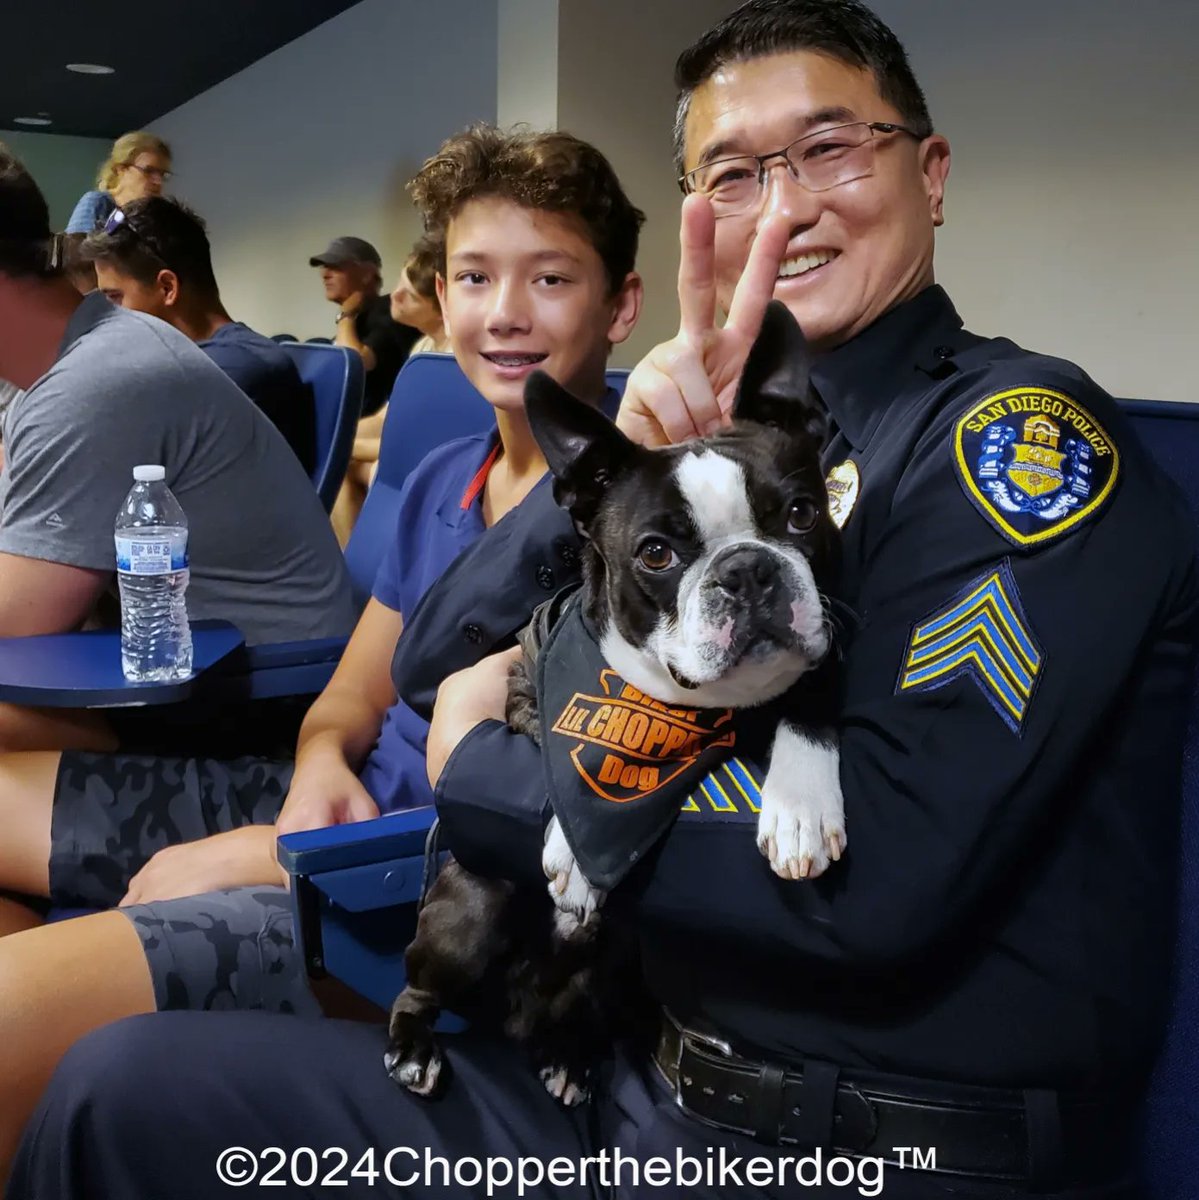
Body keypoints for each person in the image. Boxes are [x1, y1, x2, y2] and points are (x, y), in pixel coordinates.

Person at [8, 3, 1195, 1196]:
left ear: (927, 174)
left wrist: (484, 776)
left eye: (830, 149)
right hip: (626, 1073)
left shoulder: (1012, 445)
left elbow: (873, 887)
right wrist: (615, 460)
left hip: (847, 1144)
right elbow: (430, 654)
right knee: (116, 1095)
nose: (783, 206)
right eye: (732, 174)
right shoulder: (728, 443)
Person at [0, 123, 643, 1181]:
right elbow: (348, 698)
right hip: (322, 819)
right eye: (474, 276)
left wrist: (272, 855)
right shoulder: (442, 477)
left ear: (621, 305)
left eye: (551, 278)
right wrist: (313, 771)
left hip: (416, 898)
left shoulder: (641, 521)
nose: (504, 312)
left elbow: (565, 823)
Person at [0, 145, 355, 754]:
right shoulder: (60, 368)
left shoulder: (94, 382)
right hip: (170, 667)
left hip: (259, 701)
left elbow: (14, 629)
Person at [83, 196, 316, 473]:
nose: (109, 314)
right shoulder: (210, 363)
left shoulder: (232, 370)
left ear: (167, 288)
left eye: (115, 297)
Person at [332, 234, 450, 544]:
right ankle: (348, 564)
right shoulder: (425, 347)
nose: (394, 295)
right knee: (336, 460)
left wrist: (340, 447)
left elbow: (425, 446)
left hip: (431, 461)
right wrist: (335, 437)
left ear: (440, 305)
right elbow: (387, 417)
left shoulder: (453, 360)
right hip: (409, 451)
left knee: (343, 461)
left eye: (409, 295)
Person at [311, 235, 420, 416]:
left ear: (368, 274)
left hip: (381, 423)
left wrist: (346, 315)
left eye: (336, 267)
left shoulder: (389, 311)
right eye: (325, 268)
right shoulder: (357, 320)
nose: (325, 275)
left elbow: (355, 362)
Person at [63, 130, 171, 236]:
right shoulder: (98, 203)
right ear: (121, 169)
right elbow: (77, 247)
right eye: (148, 171)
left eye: (162, 174)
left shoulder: (157, 217)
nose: (158, 181)